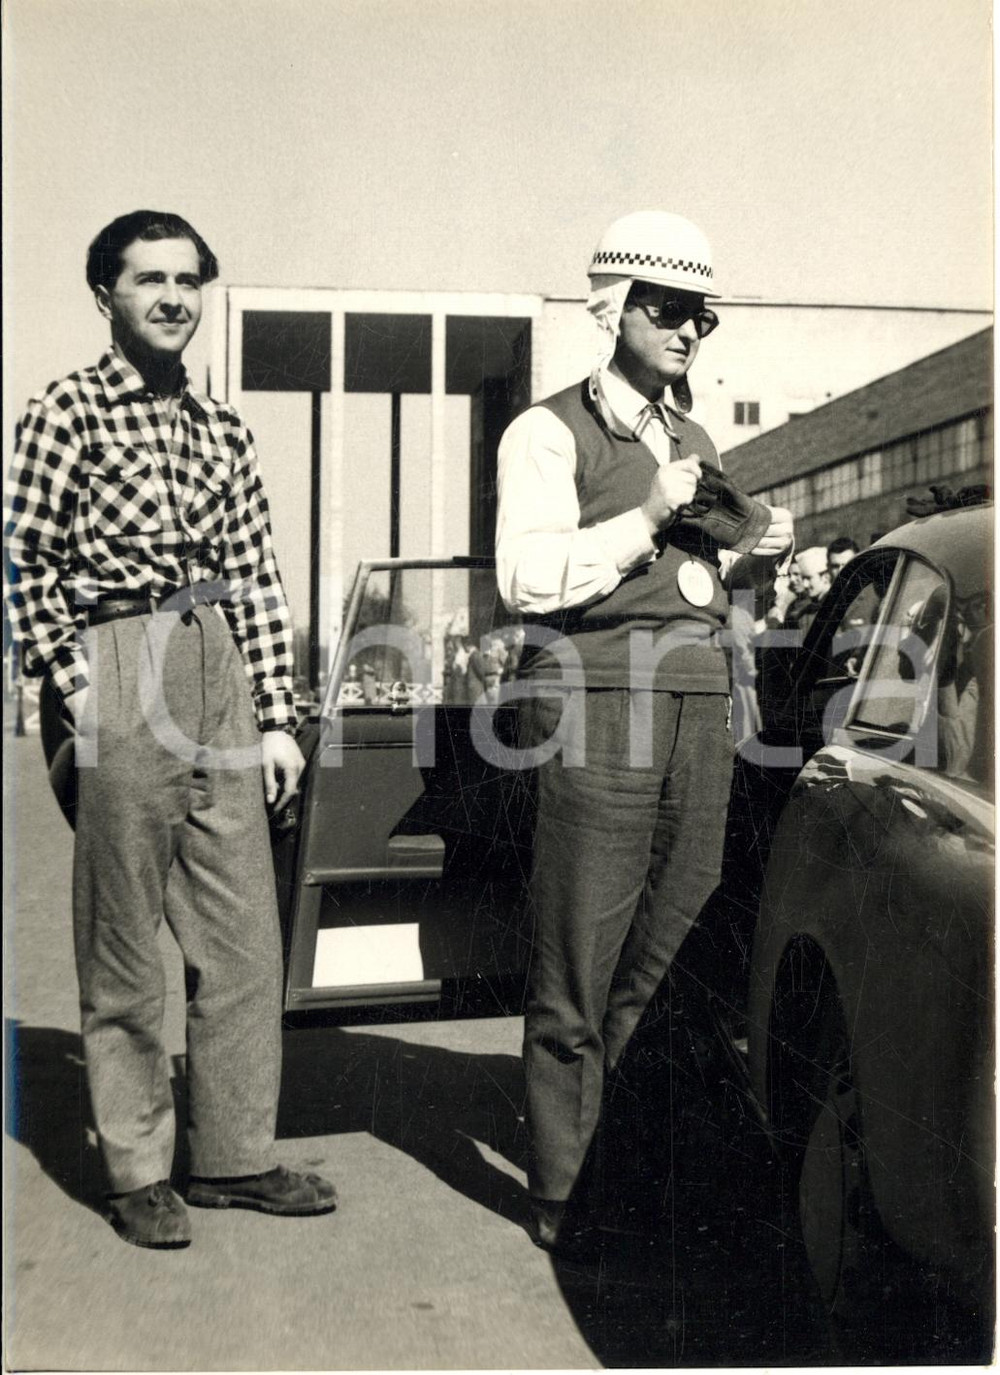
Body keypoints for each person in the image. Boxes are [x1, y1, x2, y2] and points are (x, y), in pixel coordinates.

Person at [5, 210, 337, 1250]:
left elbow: (257, 574)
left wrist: (277, 717)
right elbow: (24, 562)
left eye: (188, 280)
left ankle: (234, 1155)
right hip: (119, 658)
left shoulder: (223, 428)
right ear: (104, 293)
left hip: (221, 672)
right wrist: (79, 686)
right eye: (148, 278)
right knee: (124, 941)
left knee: (241, 940)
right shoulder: (64, 411)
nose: (171, 298)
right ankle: (140, 1167)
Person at [495, 210, 792, 1254]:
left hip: (700, 702)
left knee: (671, 956)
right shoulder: (545, 432)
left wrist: (760, 554)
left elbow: (704, 575)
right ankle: (564, 1194)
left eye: (699, 317)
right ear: (612, 308)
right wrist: (645, 517)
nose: (686, 332)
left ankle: (633, 1171)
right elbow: (524, 578)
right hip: (597, 700)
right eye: (666, 311)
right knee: (580, 954)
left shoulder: (696, 438)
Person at [783, 546, 830, 634]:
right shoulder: (802, 608)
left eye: (797, 574)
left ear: (825, 577)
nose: (805, 584)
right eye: (789, 575)